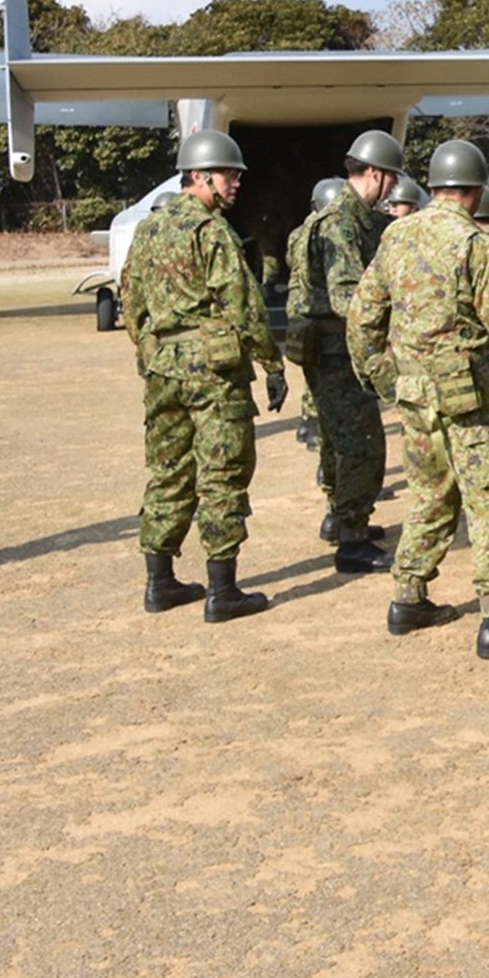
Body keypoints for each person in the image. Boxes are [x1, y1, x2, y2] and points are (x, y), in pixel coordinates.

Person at [347, 138, 489, 659]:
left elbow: (361, 317)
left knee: (430, 492)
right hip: (468, 393)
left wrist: (383, 376)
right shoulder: (476, 243)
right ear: (475, 191)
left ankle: (408, 596)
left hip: (415, 393)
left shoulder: (397, 234)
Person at [121, 128, 287, 623]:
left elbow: (131, 301)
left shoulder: (149, 229)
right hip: (213, 371)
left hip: (163, 369)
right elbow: (243, 303)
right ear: (199, 176)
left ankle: (160, 582)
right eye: (228, 175)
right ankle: (223, 590)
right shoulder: (210, 231)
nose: (236, 183)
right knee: (222, 471)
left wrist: (151, 350)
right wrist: (272, 364)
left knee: (169, 470)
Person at [291, 131, 405, 573]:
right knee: (362, 445)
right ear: (373, 172)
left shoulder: (359, 218)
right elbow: (345, 297)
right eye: (390, 178)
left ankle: (346, 522)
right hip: (339, 352)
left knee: (342, 443)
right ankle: (352, 540)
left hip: (338, 350)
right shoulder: (340, 223)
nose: (393, 187)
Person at [285, 178, 347, 456]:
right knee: (332, 385)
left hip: (300, 308)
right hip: (326, 317)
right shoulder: (331, 232)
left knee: (314, 375)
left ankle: (308, 424)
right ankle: (320, 437)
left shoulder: (298, 233)